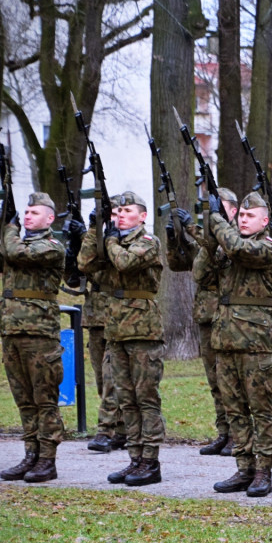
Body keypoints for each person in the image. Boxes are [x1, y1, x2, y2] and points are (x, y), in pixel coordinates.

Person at [0, 193, 66, 482]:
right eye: (25, 212)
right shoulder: (15, 242)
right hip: (11, 331)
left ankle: (47, 460)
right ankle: (31, 455)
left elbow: (15, 254)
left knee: (44, 399)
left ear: (49, 218)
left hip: (40, 334)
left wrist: (9, 231)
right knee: (24, 400)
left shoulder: (51, 246)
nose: (27, 216)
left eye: (34, 212)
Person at [78, 191, 166, 486]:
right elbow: (85, 263)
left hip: (143, 330)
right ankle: (135, 458)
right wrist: (95, 228)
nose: (120, 216)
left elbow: (126, 262)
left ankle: (151, 462)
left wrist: (111, 239)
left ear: (142, 216)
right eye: (116, 212)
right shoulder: (109, 241)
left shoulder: (149, 242)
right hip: (115, 330)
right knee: (126, 400)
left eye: (127, 211)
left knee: (146, 398)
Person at [207, 192, 272, 497]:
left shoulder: (270, 248)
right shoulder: (229, 246)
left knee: (261, 409)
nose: (243, 220)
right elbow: (202, 273)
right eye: (241, 216)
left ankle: (263, 470)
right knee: (235, 409)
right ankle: (244, 467)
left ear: (264, 221)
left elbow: (239, 249)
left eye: (250, 216)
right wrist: (205, 233)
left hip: (256, 343)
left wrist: (216, 221)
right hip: (226, 341)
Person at [167, 188, 235, 457]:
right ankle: (224, 432)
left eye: (218, 208)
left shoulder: (234, 239)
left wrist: (194, 227)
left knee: (230, 381)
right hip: (207, 317)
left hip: (227, 318)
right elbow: (182, 264)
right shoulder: (207, 240)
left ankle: (238, 434)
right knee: (215, 381)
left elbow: (217, 250)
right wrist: (175, 238)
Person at [83, 196, 126, 454]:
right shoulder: (99, 239)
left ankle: (106, 430)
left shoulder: (124, 242)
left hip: (117, 316)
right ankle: (120, 429)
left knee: (112, 378)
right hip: (95, 317)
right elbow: (80, 266)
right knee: (102, 379)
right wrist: (90, 230)